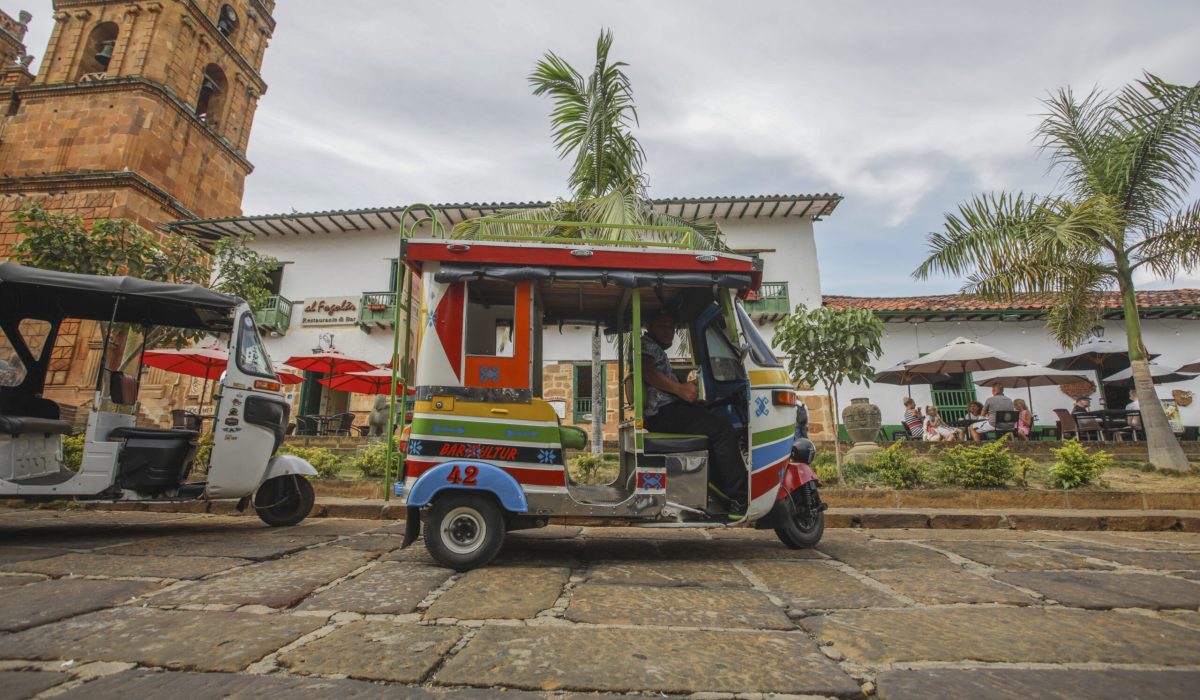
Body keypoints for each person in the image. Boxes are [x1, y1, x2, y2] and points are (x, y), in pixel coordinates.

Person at [641, 313, 746, 513]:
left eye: (671, 327)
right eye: (662, 325)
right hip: (664, 413)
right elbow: (647, 371)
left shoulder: (655, 349)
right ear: (649, 326)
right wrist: (680, 389)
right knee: (723, 431)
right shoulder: (646, 345)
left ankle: (721, 492)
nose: (668, 331)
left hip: (668, 410)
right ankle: (740, 498)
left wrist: (694, 402)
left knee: (713, 427)